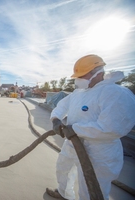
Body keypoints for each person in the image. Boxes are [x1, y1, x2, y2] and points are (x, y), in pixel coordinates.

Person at [46, 54, 135, 200]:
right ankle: (64, 195)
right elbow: (62, 106)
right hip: (72, 143)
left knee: (91, 188)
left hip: (99, 152)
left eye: (82, 75)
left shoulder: (116, 93)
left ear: (97, 73)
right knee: (63, 170)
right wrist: (56, 119)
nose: (78, 79)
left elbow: (112, 127)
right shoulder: (79, 93)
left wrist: (75, 129)